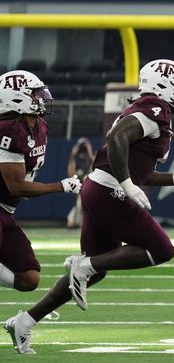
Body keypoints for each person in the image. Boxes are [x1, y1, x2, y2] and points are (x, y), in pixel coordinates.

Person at [3, 59, 174, 355]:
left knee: (97, 268)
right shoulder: (155, 107)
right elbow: (117, 139)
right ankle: (82, 265)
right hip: (108, 190)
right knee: (161, 250)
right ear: (161, 84)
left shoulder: (148, 110)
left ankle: (24, 321)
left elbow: (138, 169)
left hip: (98, 188)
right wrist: (126, 185)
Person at [0, 70, 81, 299]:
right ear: (16, 98)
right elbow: (16, 187)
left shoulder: (39, 126)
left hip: (6, 211)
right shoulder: (9, 131)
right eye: (34, 94)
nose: (41, 98)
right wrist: (60, 186)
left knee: (29, 278)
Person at [66, 138, 95, 229]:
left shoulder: (92, 159)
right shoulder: (77, 160)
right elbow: (71, 174)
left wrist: (90, 153)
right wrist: (72, 156)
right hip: (81, 194)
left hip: (91, 193)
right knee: (70, 223)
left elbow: (98, 168)